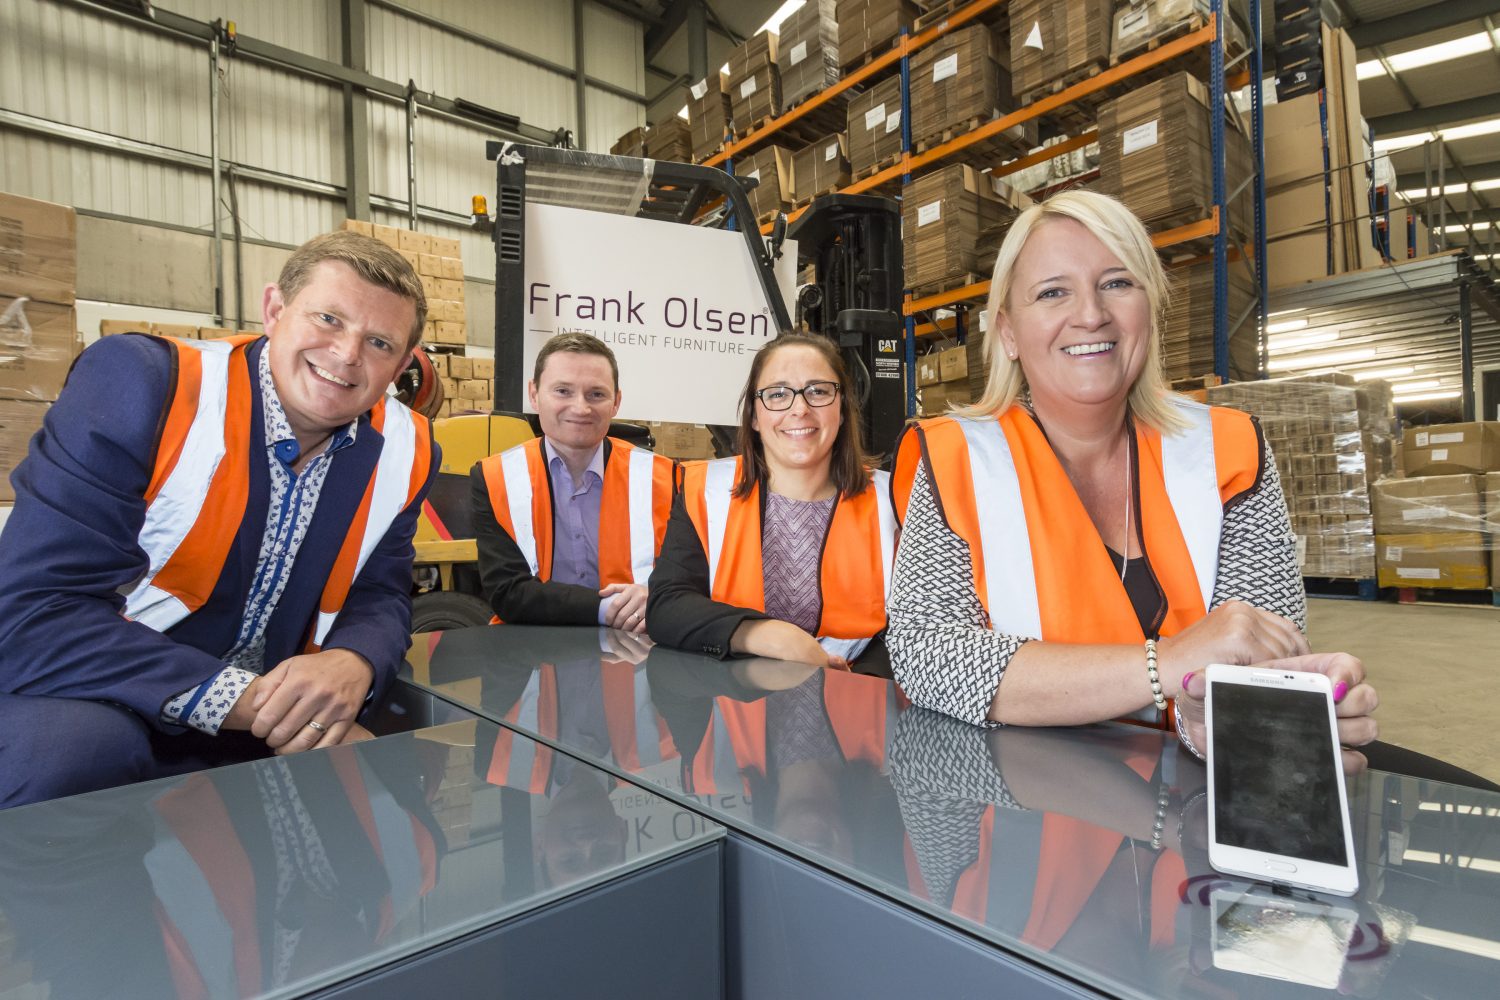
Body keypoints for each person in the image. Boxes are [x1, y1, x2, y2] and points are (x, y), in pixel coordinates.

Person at [886, 191, 1378, 766]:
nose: (1091, 314)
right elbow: (931, 658)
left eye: (1117, 283)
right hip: (1018, 806)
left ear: (1152, 306)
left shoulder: (1228, 450)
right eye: (1052, 292)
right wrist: (1165, 663)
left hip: (1181, 806)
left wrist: (1207, 723)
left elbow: (1255, 657)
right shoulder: (955, 458)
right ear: (1009, 332)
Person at [0, 231, 439, 807]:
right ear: (274, 310)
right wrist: (266, 709)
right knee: (71, 753)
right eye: (329, 318)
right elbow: (36, 610)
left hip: (271, 708)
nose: (347, 354)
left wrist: (353, 659)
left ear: (402, 365)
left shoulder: (408, 448)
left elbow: (380, 591)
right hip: (111, 689)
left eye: (379, 342)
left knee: (400, 770)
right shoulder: (146, 385)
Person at [647, 333, 897, 674]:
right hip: (737, 701)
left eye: (818, 391)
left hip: (859, 705)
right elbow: (667, 607)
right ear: (753, 416)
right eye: (778, 394)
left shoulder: (893, 502)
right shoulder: (705, 491)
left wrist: (857, 682)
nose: (800, 409)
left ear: (841, 409)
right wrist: (765, 635)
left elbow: (918, 624)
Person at [472, 333, 675, 633]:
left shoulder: (665, 479)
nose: (581, 408)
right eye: (563, 391)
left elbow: (687, 579)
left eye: (596, 394)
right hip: (531, 648)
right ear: (534, 394)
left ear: (616, 401)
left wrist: (657, 597)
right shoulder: (495, 478)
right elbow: (508, 593)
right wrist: (609, 608)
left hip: (638, 648)